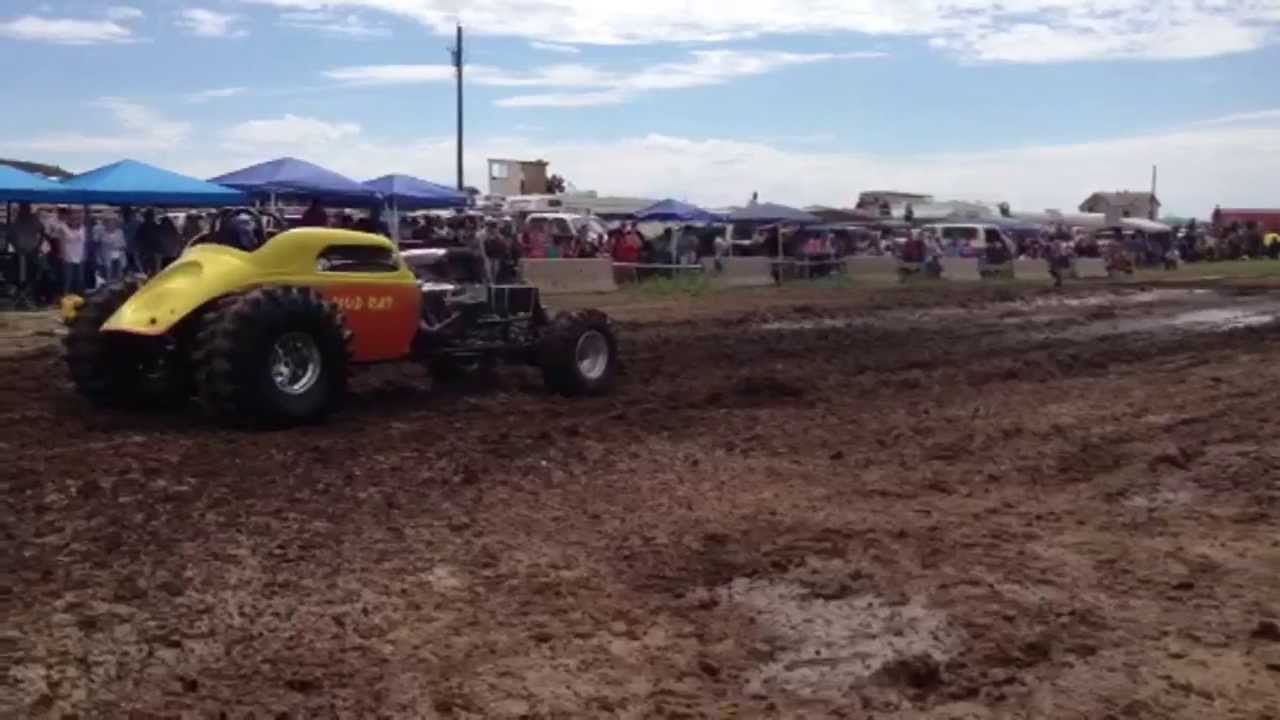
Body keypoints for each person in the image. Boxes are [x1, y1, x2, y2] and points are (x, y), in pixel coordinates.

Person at [98, 216, 128, 282]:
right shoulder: (102, 233)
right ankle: (109, 287)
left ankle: (120, 288)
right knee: (109, 275)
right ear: (106, 224)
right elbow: (101, 246)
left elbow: (124, 245)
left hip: (119, 256)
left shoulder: (120, 232)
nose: (111, 225)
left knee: (120, 275)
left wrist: (118, 247)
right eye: (109, 224)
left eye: (113, 224)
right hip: (107, 257)